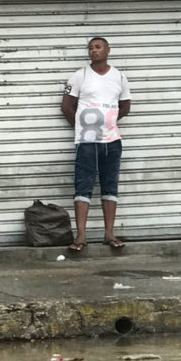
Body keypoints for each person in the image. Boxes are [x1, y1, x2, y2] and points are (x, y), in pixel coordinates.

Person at [61, 37, 131, 252]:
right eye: (90, 48)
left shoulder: (119, 76)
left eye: (98, 47)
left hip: (112, 141)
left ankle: (109, 233)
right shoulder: (80, 75)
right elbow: (66, 106)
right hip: (86, 142)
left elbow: (126, 106)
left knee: (110, 186)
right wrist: (83, 126)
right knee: (83, 186)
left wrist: (107, 122)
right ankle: (81, 236)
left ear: (108, 50)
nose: (94, 51)